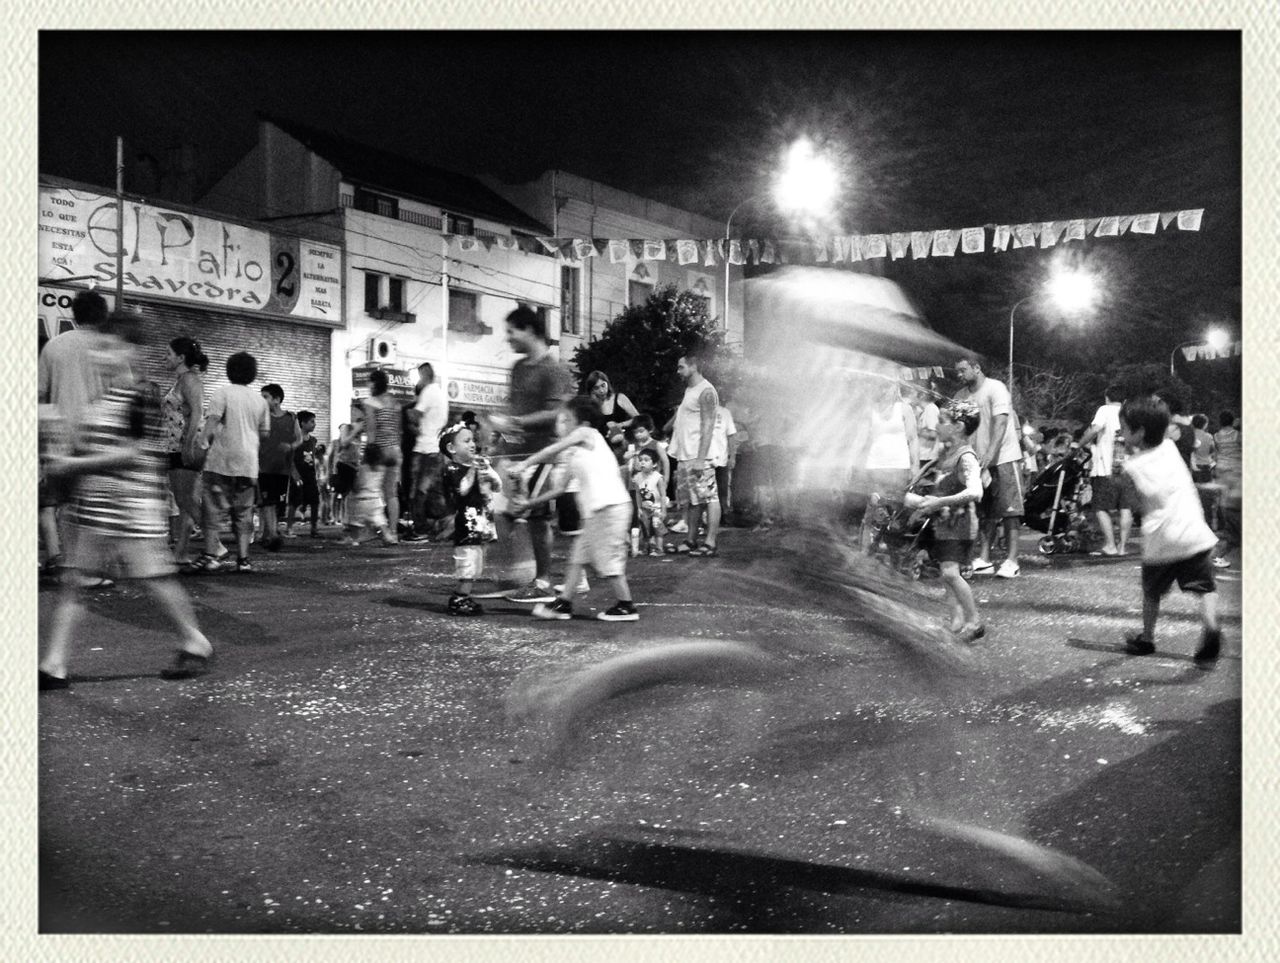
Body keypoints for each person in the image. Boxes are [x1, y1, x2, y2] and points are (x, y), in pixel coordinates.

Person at [40, 317, 214, 689]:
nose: (100, 356)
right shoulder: (102, 398)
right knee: (76, 583)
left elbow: (133, 453)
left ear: (130, 351)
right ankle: (54, 665)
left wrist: (74, 462)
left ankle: (196, 641)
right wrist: (55, 434)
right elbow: (92, 446)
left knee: (155, 581)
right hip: (96, 509)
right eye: (97, 348)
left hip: (132, 509)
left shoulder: (141, 396)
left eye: (108, 348)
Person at [510, 396, 639, 622]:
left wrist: (524, 464)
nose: (562, 424)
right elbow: (559, 489)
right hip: (597, 511)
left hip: (610, 507)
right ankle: (564, 604)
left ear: (582, 422)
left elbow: (554, 449)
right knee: (577, 556)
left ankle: (626, 606)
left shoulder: (588, 434)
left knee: (608, 561)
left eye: (567, 419)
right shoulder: (575, 455)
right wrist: (528, 504)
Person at [1118, 395, 1221, 667]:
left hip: (1161, 539)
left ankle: (1147, 638)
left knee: (1152, 593)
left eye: (1125, 428)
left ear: (1138, 432)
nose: (1122, 433)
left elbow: (1136, 504)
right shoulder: (1170, 448)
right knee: (1205, 588)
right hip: (1192, 532)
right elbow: (1171, 428)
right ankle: (1211, 626)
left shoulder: (1131, 467)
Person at [37, 289, 129, 586]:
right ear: (102, 316)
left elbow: (39, 396)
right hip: (101, 442)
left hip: (61, 439)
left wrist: (48, 433)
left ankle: (72, 567)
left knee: (64, 505)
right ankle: (97, 567)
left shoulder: (53, 346)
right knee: (100, 503)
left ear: (74, 314)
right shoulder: (110, 348)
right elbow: (126, 398)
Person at [488, 306, 576, 603]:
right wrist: (499, 438)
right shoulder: (517, 368)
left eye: (512, 331)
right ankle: (527, 574)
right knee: (503, 514)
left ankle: (542, 582)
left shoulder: (555, 370)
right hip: (515, 455)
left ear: (530, 330)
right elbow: (513, 408)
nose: (508, 338)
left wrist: (516, 422)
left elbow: (556, 415)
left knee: (537, 519)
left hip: (543, 454)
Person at [905, 400, 984, 643]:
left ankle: (974, 621)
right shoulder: (946, 453)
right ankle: (957, 619)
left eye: (942, 421)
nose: (936, 425)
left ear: (958, 427)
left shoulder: (966, 457)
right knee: (945, 572)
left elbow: (976, 492)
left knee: (950, 574)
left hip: (960, 526)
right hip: (946, 524)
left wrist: (939, 503)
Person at [193, 351, 270, 573]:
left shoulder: (222, 393)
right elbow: (264, 432)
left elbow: (212, 421)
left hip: (221, 460)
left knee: (212, 508)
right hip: (248, 463)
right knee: (244, 511)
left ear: (229, 370)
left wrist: (201, 443)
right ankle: (243, 560)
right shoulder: (259, 400)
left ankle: (210, 556)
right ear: (252, 373)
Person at [954, 355, 1024, 578]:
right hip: (978, 462)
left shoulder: (996, 388)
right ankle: (984, 559)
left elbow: (1001, 422)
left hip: (1003, 458)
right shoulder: (961, 396)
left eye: (963, 370)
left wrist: (990, 454)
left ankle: (1012, 561)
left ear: (976, 368)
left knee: (1010, 511)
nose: (959, 375)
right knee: (985, 512)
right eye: (957, 371)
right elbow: (957, 429)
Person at [439, 422, 503, 616]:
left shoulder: (475, 467)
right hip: (466, 522)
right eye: (466, 441)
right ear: (452, 448)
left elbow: (497, 485)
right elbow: (463, 489)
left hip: (482, 521)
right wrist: (474, 470)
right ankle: (459, 597)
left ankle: (464, 596)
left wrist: (488, 470)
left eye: (473, 440)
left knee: (477, 562)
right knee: (467, 561)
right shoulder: (452, 469)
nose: (472, 444)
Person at [666, 349, 721, 557]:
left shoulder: (706, 391)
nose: (678, 371)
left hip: (700, 457)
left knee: (709, 497)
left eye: (681, 367)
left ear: (694, 366)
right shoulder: (690, 390)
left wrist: (700, 458)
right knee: (692, 500)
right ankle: (691, 540)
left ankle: (710, 542)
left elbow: (708, 426)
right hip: (685, 455)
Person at [160, 336, 208, 566]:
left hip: (184, 446)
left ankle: (214, 544)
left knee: (185, 499)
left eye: (168, 354)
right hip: (175, 445)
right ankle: (181, 552)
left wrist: (188, 445)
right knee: (183, 501)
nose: (165, 357)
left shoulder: (190, 380)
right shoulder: (181, 380)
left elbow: (197, 414)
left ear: (181, 358)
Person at [347, 369, 403, 546]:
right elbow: (398, 429)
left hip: (379, 450)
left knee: (368, 492)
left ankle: (365, 531)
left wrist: (368, 454)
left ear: (374, 383)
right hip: (395, 450)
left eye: (369, 382)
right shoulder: (395, 403)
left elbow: (371, 429)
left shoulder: (371, 402)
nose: (368, 386)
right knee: (391, 493)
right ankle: (392, 532)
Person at [1078, 385, 1133, 557]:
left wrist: (1079, 444)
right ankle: (1123, 547)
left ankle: (1110, 545)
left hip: (1106, 468)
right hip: (1128, 468)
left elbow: (1095, 429)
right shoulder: (1130, 413)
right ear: (1124, 401)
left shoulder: (1105, 410)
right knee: (1125, 507)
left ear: (1107, 398)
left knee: (1100, 507)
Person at [257, 384, 302, 551]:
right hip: (264, 466)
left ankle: (270, 532)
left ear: (276, 399)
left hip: (282, 466)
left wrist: (290, 447)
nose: (262, 400)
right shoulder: (262, 417)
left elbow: (299, 439)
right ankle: (271, 534)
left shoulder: (291, 417)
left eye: (265, 397)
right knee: (267, 501)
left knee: (276, 502)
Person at [408, 361, 449, 539]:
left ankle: (421, 529)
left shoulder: (429, 391)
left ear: (424, 375)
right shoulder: (440, 393)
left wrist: (407, 411)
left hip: (425, 448)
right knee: (434, 490)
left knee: (418, 490)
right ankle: (444, 522)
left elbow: (414, 415)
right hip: (434, 448)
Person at [1211, 411, 1241, 569]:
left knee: (1225, 500)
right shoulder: (1237, 435)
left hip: (1222, 470)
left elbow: (1217, 453)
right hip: (1236, 471)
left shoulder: (1216, 436)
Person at [285, 411, 321, 538]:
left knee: (315, 501)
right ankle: (289, 528)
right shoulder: (295, 439)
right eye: (311, 422)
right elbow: (289, 458)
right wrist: (294, 473)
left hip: (310, 475)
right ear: (302, 423)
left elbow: (313, 456)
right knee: (294, 502)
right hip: (298, 475)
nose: (314, 424)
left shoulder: (313, 440)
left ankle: (314, 528)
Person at [584, 370, 639, 450]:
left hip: (621, 446)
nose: (601, 390)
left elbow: (638, 418)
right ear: (592, 390)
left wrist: (621, 424)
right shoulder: (591, 405)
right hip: (600, 448)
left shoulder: (620, 398)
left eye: (603, 385)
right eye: (596, 388)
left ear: (607, 383)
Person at [632, 448, 668, 556]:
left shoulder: (658, 477)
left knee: (657, 529)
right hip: (644, 508)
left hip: (656, 509)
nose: (642, 462)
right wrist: (638, 508)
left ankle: (659, 549)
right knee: (645, 528)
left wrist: (663, 510)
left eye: (646, 460)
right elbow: (638, 494)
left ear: (655, 464)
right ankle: (647, 548)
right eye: (640, 460)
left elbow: (662, 495)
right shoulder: (637, 477)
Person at [710, 402, 740, 524]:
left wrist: (732, 457)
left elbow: (731, 436)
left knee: (722, 490)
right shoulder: (697, 411)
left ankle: (723, 515)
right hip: (703, 460)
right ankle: (706, 519)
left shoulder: (724, 412)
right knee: (704, 492)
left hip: (721, 459)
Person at [329, 422, 361, 527]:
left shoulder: (355, 441)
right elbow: (330, 457)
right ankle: (334, 516)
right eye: (342, 430)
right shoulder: (336, 442)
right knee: (335, 495)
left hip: (351, 468)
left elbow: (357, 456)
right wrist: (329, 471)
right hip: (338, 470)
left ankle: (344, 518)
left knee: (346, 495)